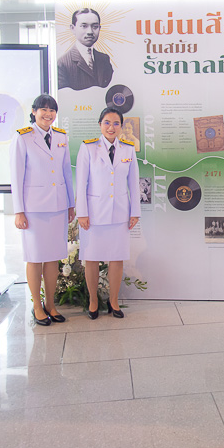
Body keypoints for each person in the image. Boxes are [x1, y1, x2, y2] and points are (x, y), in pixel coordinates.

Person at [10, 94, 75, 326]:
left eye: (52, 110)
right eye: (43, 110)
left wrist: (70, 203)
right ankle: (37, 306)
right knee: (35, 257)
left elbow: (66, 172)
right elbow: (16, 176)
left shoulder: (61, 137)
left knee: (53, 258)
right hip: (34, 208)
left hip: (58, 206)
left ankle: (50, 304)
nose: (48, 114)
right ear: (34, 112)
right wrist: (19, 211)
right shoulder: (23, 137)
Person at [75, 107, 141, 319]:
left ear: (121, 126)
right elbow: (81, 182)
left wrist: (135, 211)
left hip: (120, 212)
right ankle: (93, 301)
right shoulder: (88, 148)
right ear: (100, 124)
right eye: (107, 122)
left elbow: (133, 182)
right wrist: (82, 213)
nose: (111, 127)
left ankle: (113, 301)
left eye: (116, 123)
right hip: (93, 214)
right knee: (92, 258)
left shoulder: (128, 149)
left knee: (116, 258)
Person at [57, 8, 113, 91]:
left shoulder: (104, 59)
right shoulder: (62, 63)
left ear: (99, 28)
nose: (90, 32)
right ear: (73, 28)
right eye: (84, 26)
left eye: (95, 27)